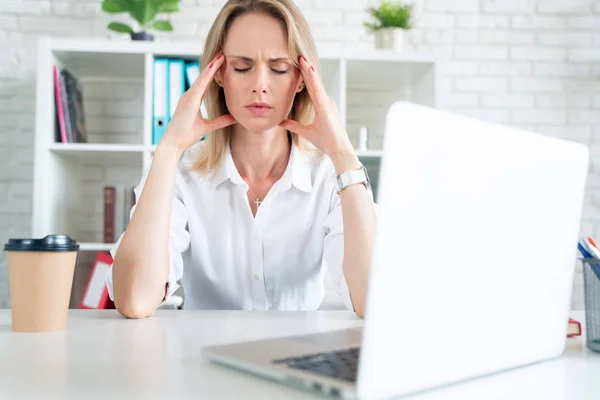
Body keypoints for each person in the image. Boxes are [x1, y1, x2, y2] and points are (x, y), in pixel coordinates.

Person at [106, 0, 378, 319]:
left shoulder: (330, 177)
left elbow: (372, 300)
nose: (260, 86)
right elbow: (135, 300)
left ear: (303, 78)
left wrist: (343, 154)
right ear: (218, 74)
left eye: (279, 68)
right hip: (198, 359)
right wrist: (169, 147)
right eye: (242, 67)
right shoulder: (181, 173)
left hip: (294, 360)